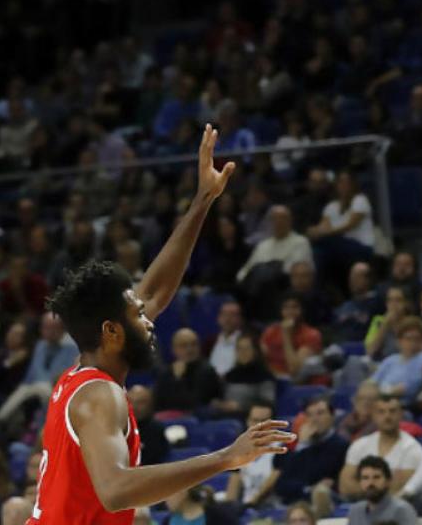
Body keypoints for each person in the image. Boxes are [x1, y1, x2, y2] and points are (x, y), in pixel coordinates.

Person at [26, 126, 296, 525]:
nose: (149, 318)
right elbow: (117, 490)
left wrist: (204, 199)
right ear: (112, 332)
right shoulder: (100, 395)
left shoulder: (78, 378)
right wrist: (225, 458)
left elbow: (153, 292)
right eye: (136, 315)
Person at [339, 394, 422, 500]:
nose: (387, 416)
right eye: (381, 412)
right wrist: (380, 487)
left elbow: (399, 489)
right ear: (373, 415)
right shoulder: (359, 445)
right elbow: (345, 487)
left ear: (401, 415)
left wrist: (365, 484)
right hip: (358, 504)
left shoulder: (413, 449)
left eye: (392, 411)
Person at [225, 402, 282, 507]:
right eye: (255, 421)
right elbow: (233, 484)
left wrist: (250, 504)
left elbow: (270, 484)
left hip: (272, 507)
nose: (259, 426)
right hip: (246, 508)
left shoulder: (281, 449)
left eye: (264, 421)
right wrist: (229, 508)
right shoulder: (239, 451)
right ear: (248, 421)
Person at [154, 328, 222, 414]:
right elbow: (159, 404)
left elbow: (193, 404)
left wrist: (178, 379)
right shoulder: (165, 372)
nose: (189, 349)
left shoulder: (207, 370)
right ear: (174, 349)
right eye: (183, 345)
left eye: (194, 344)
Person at [370, 317, 422, 405]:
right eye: (408, 338)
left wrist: (381, 391)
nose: (413, 343)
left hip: (401, 405)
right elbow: (372, 383)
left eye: (417, 339)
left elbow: (407, 388)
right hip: (378, 402)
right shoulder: (390, 360)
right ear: (399, 341)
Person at [346, 456, 418, 525]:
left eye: (376, 477)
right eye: (365, 478)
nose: (370, 483)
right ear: (360, 482)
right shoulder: (355, 511)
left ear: (388, 481)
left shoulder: (402, 510)